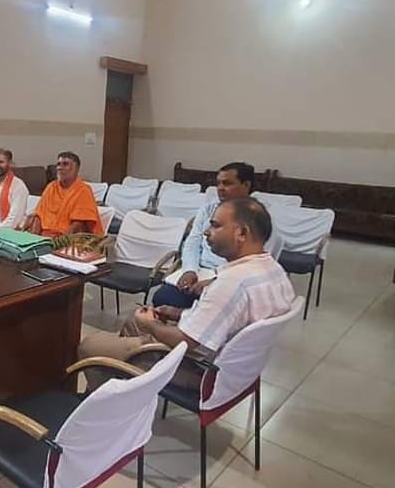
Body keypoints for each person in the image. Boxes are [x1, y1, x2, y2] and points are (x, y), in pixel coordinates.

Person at [77, 197, 294, 390]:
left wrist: (152, 325)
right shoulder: (275, 271)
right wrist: (177, 313)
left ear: (242, 233)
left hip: (200, 371)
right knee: (135, 321)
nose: (207, 232)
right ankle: (128, 384)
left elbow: (188, 341)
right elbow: (227, 321)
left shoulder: (231, 283)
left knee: (91, 346)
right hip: (240, 372)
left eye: (216, 226)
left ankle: (107, 406)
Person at [151, 162, 282, 309]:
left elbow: (258, 265)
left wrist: (217, 281)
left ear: (246, 185)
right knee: (163, 298)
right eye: (218, 183)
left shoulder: (260, 219)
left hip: (233, 281)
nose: (220, 188)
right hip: (201, 271)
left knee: (205, 308)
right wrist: (190, 270)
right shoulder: (209, 209)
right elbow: (193, 242)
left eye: (227, 183)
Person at [19, 151, 103, 237]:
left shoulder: (83, 190)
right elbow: (39, 215)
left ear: (77, 169)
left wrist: (59, 243)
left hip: (67, 239)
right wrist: (34, 240)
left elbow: (78, 224)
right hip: (44, 238)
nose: (60, 168)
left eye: (65, 164)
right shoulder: (51, 187)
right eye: (58, 164)